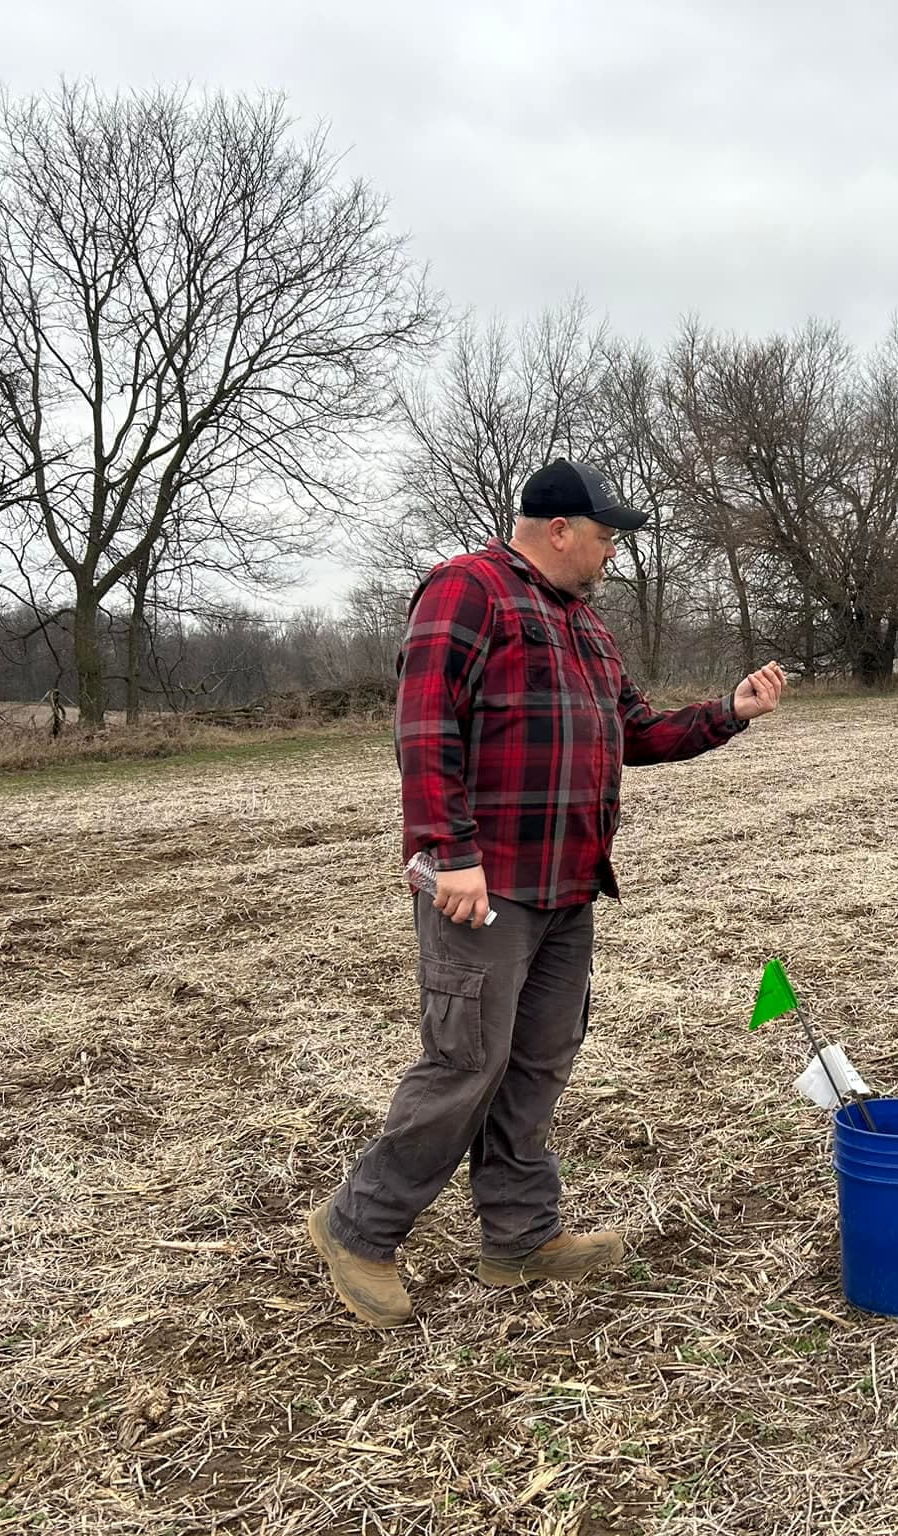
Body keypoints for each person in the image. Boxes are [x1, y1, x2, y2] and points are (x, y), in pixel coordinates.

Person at [309, 459, 788, 1326]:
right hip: (485, 886)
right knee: (466, 1062)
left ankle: (520, 1237)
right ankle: (360, 1227)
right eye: (606, 537)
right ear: (560, 528)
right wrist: (448, 851)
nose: (612, 554)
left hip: (570, 885)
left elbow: (637, 731)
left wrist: (729, 711)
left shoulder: (586, 627)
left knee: (536, 1064)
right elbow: (425, 724)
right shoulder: (469, 590)